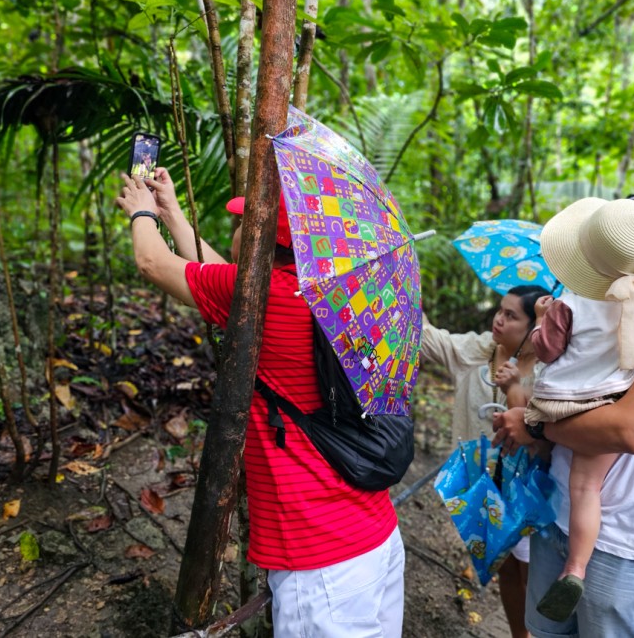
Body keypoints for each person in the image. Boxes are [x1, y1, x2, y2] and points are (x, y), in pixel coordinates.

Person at [114, 169, 405, 637]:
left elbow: (152, 263)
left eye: (246, 223)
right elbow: (218, 280)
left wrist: (142, 212)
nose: (236, 230)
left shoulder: (264, 296)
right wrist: (172, 212)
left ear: (264, 238)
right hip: (373, 533)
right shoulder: (338, 294)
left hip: (319, 557)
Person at [493, 194, 634, 638]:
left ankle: (577, 566)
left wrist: (535, 421)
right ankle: (574, 566)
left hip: (628, 543)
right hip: (555, 517)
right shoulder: (605, 308)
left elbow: (631, 430)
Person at [518, 198, 634, 622]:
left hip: (561, 402)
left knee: (538, 449)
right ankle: (576, 568)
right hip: (613, 396)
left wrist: (540, 318)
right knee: (588, 487)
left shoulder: (570, 300)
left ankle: (526, 539)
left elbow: (547, 350)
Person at [421, 284, 551, 638]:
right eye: (499, 310)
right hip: (481, 486)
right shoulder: (476, 352)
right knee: (505, 571)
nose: (499, 319)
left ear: (532, 327)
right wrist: (406, 294)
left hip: (527, 491)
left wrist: (516, 384)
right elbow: (430, 338)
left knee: (532, 574)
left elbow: (541, 431)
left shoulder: (549, 371)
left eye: (511, 316)